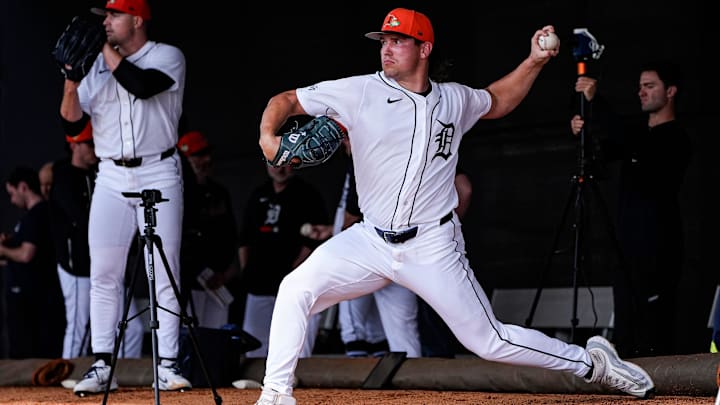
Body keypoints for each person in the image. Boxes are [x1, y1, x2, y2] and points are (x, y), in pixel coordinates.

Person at [254, 8, 655, 404]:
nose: (387, 49)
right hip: (369, 240)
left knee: (490, 341)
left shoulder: (454, 100)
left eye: (398, 41)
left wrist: (534, 61)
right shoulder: (359, 91)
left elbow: (497, 100)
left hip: (432, 244)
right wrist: (269, 137)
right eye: (384, 41)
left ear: (424, 48)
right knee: (295, 289)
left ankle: (591, 363)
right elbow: (287, 99)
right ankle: (275, 395)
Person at [59, 0, 191, 394]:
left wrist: (102, 49)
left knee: (163, 269)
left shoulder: (167, 56)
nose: (106, 23)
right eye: (104, 17)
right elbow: (71, 120)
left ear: (137, 19)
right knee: (104, 272)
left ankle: (166, 364)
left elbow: (144, 85)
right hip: (111, 174)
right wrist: (70, 77)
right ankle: (102, 364)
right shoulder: (95, 65)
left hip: (159, 168)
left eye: (113, 16)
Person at [570, 61, 692, 358]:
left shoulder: (676, 137)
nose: (642, 92)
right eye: (639, 86)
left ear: (671, 91)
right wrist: (583, 132)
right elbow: (603, 156)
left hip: (657, 246)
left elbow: (632, 143)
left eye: (650, 86)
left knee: (654, 325)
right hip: (625, 243)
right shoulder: (637, 132)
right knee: (625, 321)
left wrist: (597, 101)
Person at [238, 149, 329, 358]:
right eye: (274, 163)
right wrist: (247, 270)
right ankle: (255, 384)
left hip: (291, 278)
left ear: (294, 164)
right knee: (255, 343)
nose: (279, 168)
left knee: (293, 336)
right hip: (259, 281)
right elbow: (245, 238)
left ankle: (298, 379)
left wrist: (296, 269)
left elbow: (314, 238)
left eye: (285, 163)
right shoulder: (258, 194)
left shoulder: (307, 194)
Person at [0, 166, 65, 359]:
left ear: (23, 187)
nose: (11, 200)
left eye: (12, 193)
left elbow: (27, 255)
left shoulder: (37, 214)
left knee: (29, 350)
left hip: (33, 299)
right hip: (35, 296)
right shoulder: (37, 215)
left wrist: (3, 250)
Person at [177, 130, 240, 329]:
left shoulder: (219, 191)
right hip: (192, 280)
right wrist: (199, 270)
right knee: (191, 338)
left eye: (206, 154)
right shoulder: (178, 194)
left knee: (216, 337)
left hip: (220, 280)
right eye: (198, 155)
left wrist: (228, 271)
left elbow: (231, 233)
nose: (206, 159)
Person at [47, 121, 98, 359]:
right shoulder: (64, 176)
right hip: (75, 264)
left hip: (95, 263)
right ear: (75, 145)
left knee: (122, 325)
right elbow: (80, 218)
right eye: (89, 143)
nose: (94, 148)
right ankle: (67, 374)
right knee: (78, 324)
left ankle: (117, 373)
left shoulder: (97, 174)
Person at [416, 168, 472, 358]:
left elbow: (465, 190)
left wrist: (447, 224)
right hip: (430, 239)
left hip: (434, 241)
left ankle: (438, 361)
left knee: (435, 303)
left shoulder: (438, 151)